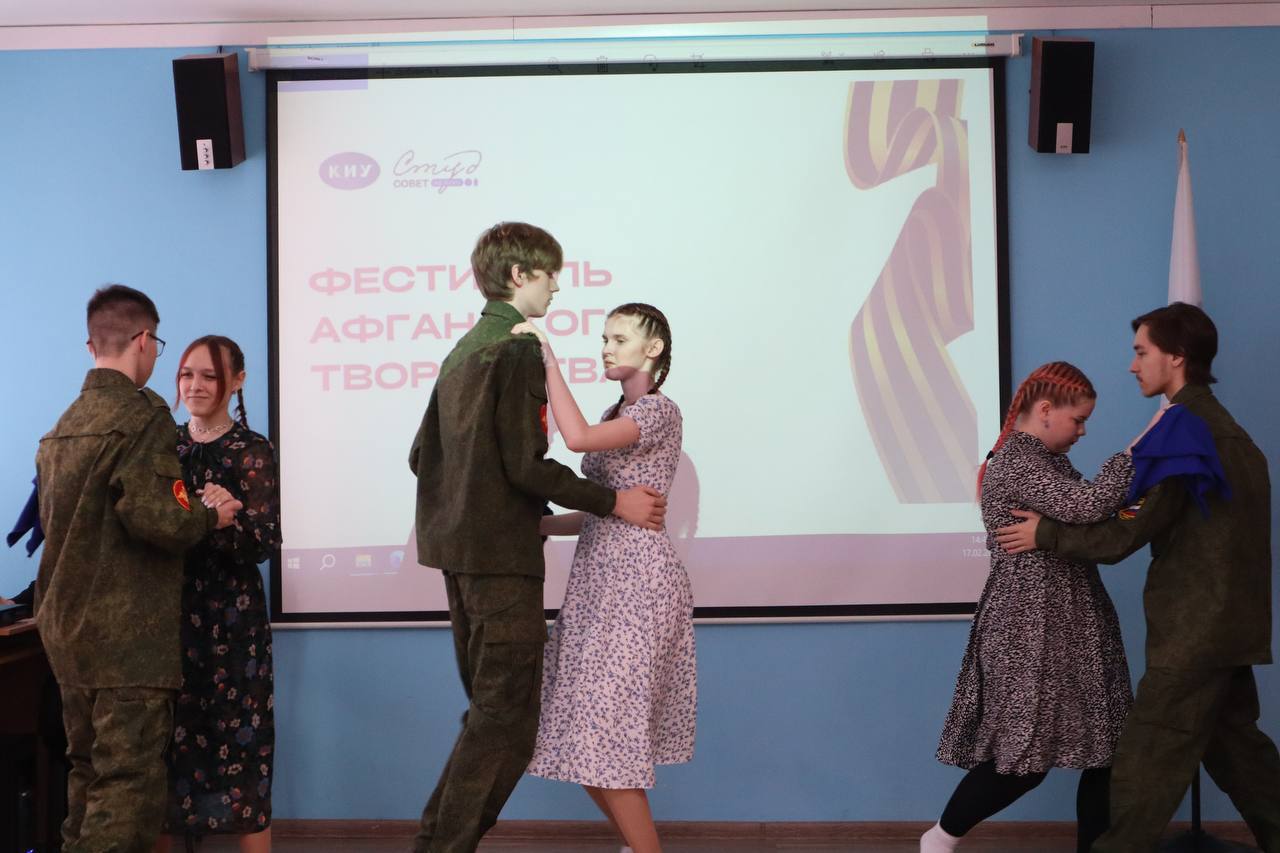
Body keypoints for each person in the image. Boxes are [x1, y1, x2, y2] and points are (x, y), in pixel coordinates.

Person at [408, 222, 668, 853]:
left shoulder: (464, 348)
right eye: (551, 274)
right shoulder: (518, 348)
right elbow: (525, 466)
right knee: (506, 721)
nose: (557, 287)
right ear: (519, 275)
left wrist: (472, 504)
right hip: (501, 560)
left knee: (491, 714)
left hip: (459, 557)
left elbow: (420, 455)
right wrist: (614, 501)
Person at [996, 304, 1280, 852]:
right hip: (1235, 629)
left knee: (1145, 761)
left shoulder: (1182, 434)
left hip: (1193, 636)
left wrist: (1045, 534)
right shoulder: (1236, 437)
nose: (1133, 365)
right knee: (1241, 753)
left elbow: (1122, 536)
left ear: (1176, 357)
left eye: (1141, 351)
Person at [35, 284, 240, 853]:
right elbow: (159, 519)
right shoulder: (143, 415)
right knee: (127, 787)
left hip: (67, 632)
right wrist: (210, 514)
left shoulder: (63, 426)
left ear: (91, 346)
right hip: (125, 640)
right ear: (145, 340)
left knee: (86, 775)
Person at [924, 362, 1153, 853]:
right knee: (1023, 758)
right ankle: (939, 841)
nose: (1082, 431)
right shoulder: (1018, 464)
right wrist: (1137, 450)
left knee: (1108, 749)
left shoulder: (1048, 462)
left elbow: (1089, 518)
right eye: (1078, 420)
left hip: (1072, 624)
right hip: (1031, 631)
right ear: (1046, 410)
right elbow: (1089, 505)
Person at [516, 303, 696, 853]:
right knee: (583, 740)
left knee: (609, 741)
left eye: (619, 339)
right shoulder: (616, 409)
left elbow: (576, 439)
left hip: (639, 585)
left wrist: (549, 360)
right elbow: (605, 510)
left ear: (653, 349)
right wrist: (538, 525)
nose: (606, 348)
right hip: (598, 583)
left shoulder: (659, 411)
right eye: (604, 339)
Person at [155, 336, 280, 853]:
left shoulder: (252, 449)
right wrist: (202, 515)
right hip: (168, 616)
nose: (196, 385)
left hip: (233, 623)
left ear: (237, 381)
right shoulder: (163, 446)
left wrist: (227, 519)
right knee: (164, 754)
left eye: (210, 375)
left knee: (242, 752)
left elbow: (263, 543)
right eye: (187, 374)